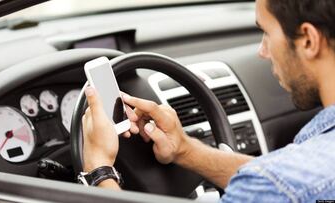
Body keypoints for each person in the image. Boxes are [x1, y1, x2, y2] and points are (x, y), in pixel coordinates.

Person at [81, 0, 335, 201]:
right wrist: (184, 150)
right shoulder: (294, 176)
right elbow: (285, 179)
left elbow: (278, 184)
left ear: (309, 40)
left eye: (266, 32)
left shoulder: (276, 184)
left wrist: (99, 168)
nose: (262, 51)